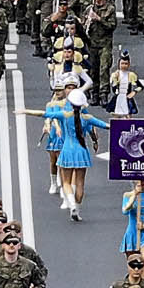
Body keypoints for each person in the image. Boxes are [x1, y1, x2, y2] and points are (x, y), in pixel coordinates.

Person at [54, 89, 107, 220]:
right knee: (80, 183)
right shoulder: (87, 118)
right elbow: (105, 126)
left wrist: (25, 111)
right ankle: (77, 210)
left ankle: (71, 204)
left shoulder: (65, 115)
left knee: (66, 182)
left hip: (67, 150)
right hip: (82, 151)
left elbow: (45, 114)